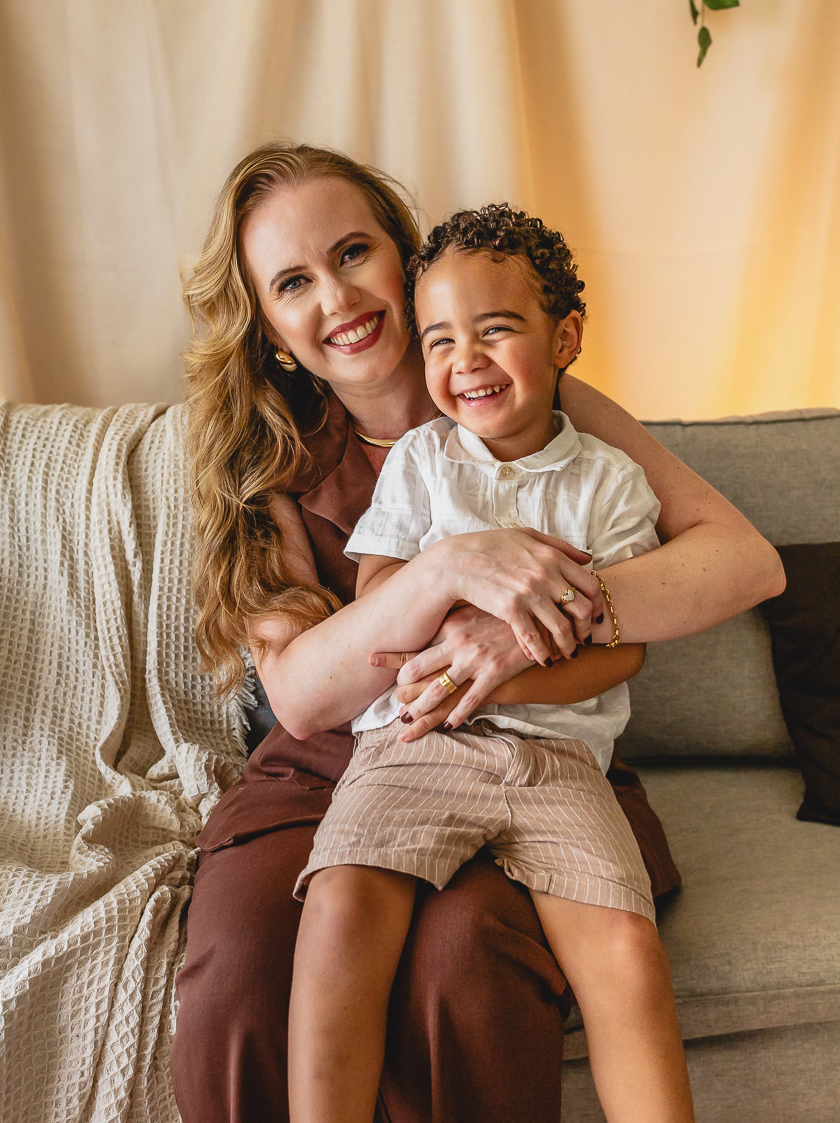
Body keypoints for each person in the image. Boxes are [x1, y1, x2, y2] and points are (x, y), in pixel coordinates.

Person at [170, 143, 784, 1123]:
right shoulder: (266, 457)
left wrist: (533, 636)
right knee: (241, 973)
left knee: (465, 962)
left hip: (531, 744)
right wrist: (451, 566)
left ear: (404, 259)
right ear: (269, 325)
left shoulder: (537, 395)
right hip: (324, 766)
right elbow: (302, 695)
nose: (337, 297)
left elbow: (743, 562)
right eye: (293, 282)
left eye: (353, 253)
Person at [287, 204, 694, 1123]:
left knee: (626, 953)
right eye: (439, 339)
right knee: (340, 909)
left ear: (565, 339)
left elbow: (617, 650)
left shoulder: (611, 483)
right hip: (417, 743)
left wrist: (507, 672)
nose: (464, 358)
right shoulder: (422, 462)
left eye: (495, 329)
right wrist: (449, 586)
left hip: (558, 761)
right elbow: (380, 595)